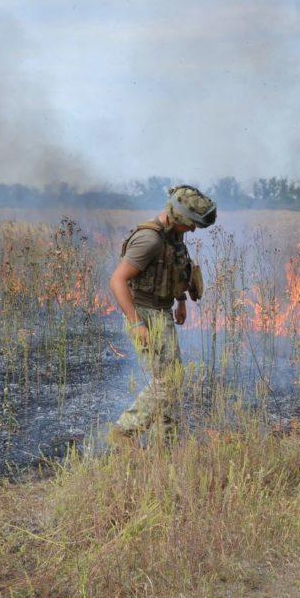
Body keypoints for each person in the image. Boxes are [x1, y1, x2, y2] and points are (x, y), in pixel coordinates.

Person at [108, 185, 216, 442]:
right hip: (146, 314)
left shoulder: (173, 234)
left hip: (162, 310)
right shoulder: (150, 240)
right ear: (177, 217)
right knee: (168, 381)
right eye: (190, 224)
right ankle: (124, 432)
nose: (192, 230)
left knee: (170, 379)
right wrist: (136, 325)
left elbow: (173, 268)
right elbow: (117, 281)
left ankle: (165, 442)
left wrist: (180, 300)